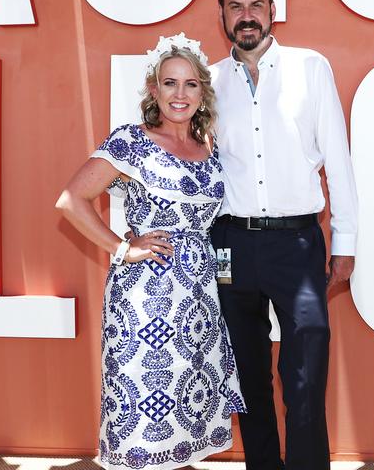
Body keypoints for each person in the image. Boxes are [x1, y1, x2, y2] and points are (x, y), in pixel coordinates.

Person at [56, 33, 246, 470]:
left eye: (190, 84)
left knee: (185, 417)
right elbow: (70, 200)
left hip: (199, 300)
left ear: (203, 91)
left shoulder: (209, 146)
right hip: (146, 300)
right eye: (169, 83)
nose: (180, 94)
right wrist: (122, 247)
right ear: (153, 89)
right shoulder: (131, 141)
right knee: (144, 413)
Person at [208, 0, 359, 470]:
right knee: (248, 380)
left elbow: (337, 160)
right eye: (235, 6)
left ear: (272, 10)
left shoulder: (309, 68)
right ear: (223, 14)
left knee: (305, 379)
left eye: (255, 5)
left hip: (298, 246)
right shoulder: (208, 83)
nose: (246, 16)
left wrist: (345, 243)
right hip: (231, 245)